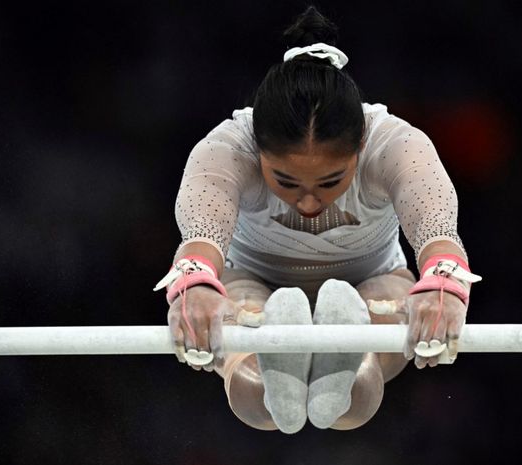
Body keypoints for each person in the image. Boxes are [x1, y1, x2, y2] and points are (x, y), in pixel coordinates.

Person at [154, 6, 480, 434]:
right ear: (258, 150)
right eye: (286, 182)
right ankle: (278, 375)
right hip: (252, 278)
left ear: (361, 145)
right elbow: (200, 244)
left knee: (373, 335)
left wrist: (444, 287)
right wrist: (194, 288)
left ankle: (343, 364)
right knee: (248, 337)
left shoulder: (397, 144)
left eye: (330, 181)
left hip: (372, 280)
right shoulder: (227, 149)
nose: (308, 202)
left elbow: (438, 236)